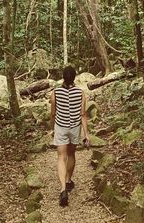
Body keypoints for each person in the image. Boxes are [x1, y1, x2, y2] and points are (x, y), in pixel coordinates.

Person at [50, 65, 90, 207]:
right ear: (74, 77)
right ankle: (68, 181)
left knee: (61, 157)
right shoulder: (80, 93)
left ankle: (62, 189)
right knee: (72, 154)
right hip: (74, 127)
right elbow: (83, 114)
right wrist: (86, 134)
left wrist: (52, 128)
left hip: (61, 126)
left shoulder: (55, 92)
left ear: (63, 77)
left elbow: (53, 113)